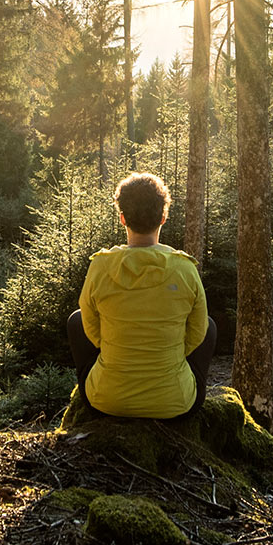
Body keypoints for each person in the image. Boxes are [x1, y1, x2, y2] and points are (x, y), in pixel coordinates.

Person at [66, 172, 217, 420]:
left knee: (76, 320)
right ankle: (168, 384)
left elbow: (92, 330)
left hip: (105, 401)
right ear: (163, 217)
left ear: (122, 218)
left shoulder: (100, 266)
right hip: (176, 405)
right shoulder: (185, 268)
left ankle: (111, 382)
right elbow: (197, 332)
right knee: (209, 326)